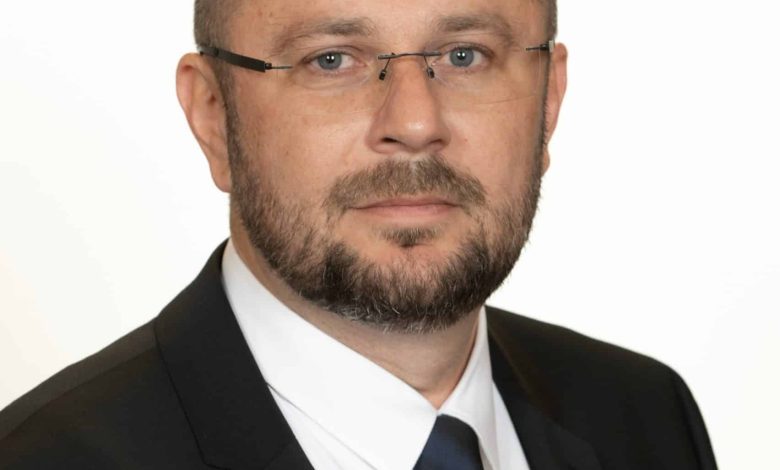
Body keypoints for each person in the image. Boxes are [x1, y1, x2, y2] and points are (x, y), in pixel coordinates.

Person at [0, 0, 718, 468]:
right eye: (331, 60)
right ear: (214, 115)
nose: (415, 122)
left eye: (464, 55)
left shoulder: (645, 419)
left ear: (549, 101)